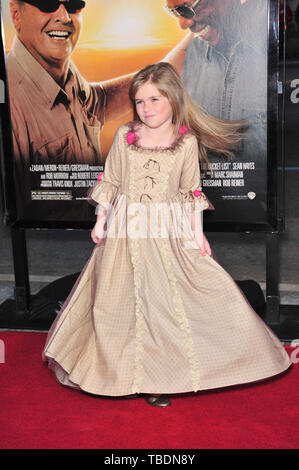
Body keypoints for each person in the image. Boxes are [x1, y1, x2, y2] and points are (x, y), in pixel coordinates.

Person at [43, 63, 291, 407]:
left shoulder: (186, 141)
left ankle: (161, 375)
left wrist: (198, 234)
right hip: (125, 233)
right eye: (140, 101)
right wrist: (102, 219)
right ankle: (118, 374)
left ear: (173, 99)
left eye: (154, 100)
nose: (147, 109)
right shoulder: (125, 136)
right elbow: (111, 180)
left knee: (168, 303)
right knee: (117, 303)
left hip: (168, 233)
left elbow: (191, 191)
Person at [6, 0, 188, 221]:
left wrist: (194, 34)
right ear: (16, 14)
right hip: (46, 247)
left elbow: (102, 102)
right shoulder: (11, 101)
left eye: (73, 4)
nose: (63, 17)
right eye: (47, 2)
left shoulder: (67, 79)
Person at [164, 0, 268, 220]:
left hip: (258, 212)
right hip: (205, 214)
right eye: (174, 13)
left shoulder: (268, 47)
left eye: (186, 9)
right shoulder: (193, 52)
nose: (183, 24)